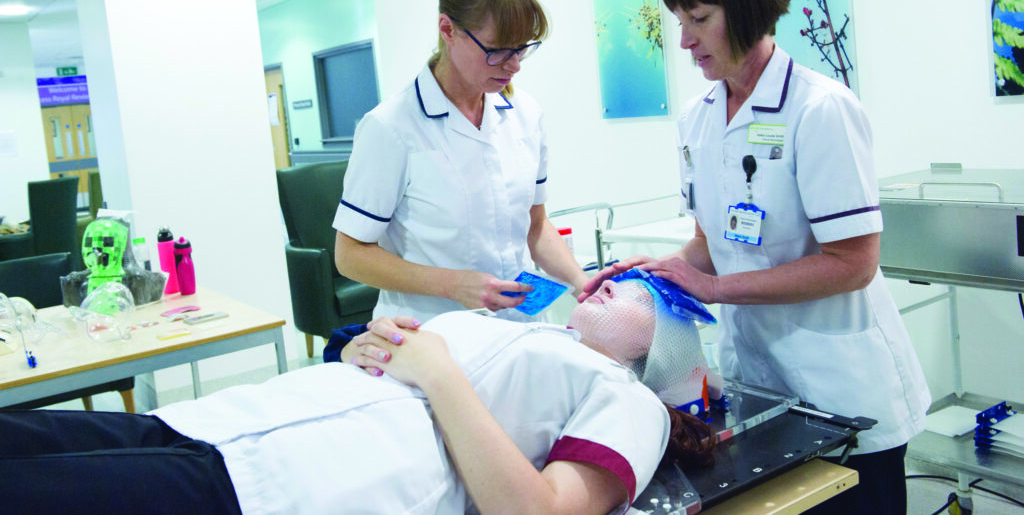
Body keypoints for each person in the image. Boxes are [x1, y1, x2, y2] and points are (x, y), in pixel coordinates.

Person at [582, 0, 930, 515]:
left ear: (746, 9)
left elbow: (853, 263)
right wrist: (660, 270)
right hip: (759, 382)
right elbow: (709, 242)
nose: (684, 41)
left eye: (699, 18)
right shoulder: (698, 118)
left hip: (841, 382)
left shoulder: (820, 110)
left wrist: (715, 288)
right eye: (680, 21)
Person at [0, 272, 716, 514]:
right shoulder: (532, 332)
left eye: (645, 295)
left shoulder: (632, 402)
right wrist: (367, 344)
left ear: (665, 352)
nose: (617, 282)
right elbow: (388, 356)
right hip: (222, 422)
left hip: (289, 487)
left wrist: (436, 371)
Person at [333, 0, 587, 323]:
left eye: (521, 49)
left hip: (521, 328)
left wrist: (584, 285)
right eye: (497, 50)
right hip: (433, 335)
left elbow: (536, 228)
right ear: (447, 29)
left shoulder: (526, 115)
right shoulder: (391, 128)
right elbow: (351, 254)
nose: (514, 65)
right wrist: (453, 285)